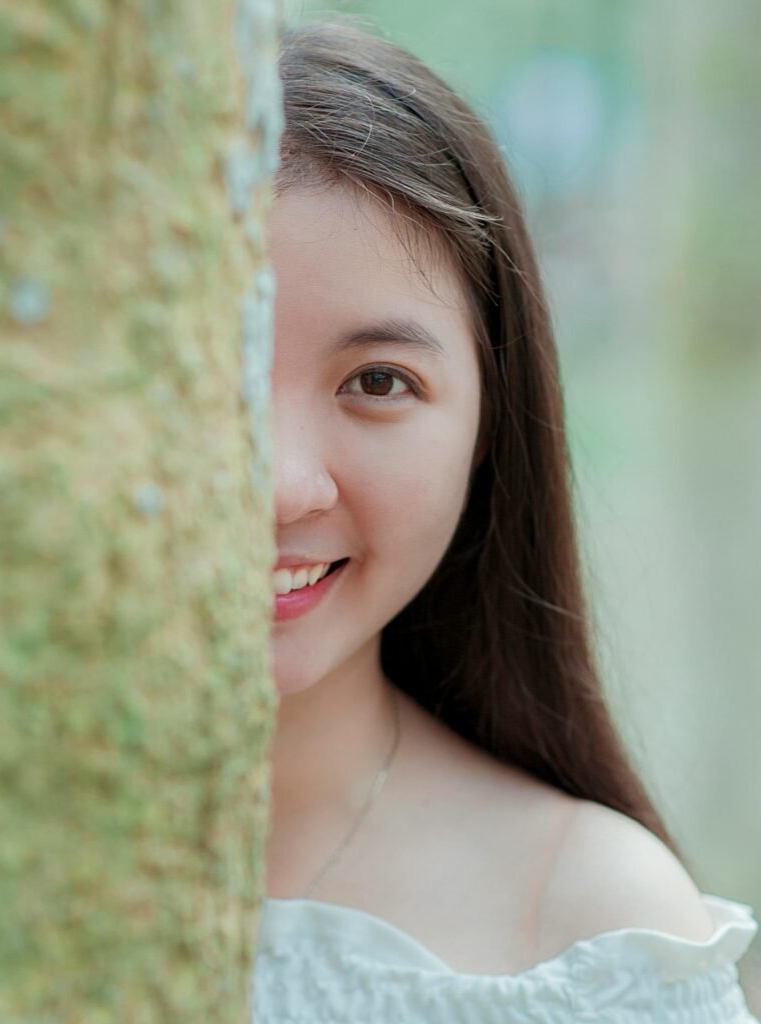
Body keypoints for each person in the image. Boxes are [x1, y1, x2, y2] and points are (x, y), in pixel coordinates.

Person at [252, 17, 758, 1023]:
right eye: (208, 373)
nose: (280, 484)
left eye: (378, 381)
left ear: (490, 421)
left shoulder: (589, 932)